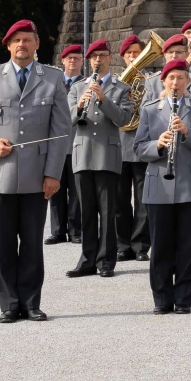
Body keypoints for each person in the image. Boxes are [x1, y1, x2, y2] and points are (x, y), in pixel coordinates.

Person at [0, 20, 72, 322]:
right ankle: (10, 303)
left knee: (33, 243)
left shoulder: (52, 78)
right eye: (16, 40)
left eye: (28, 40)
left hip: (38, 177)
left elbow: (61, 131)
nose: (22, 45)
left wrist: (54, 174)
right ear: (8, 45)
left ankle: (32, 302)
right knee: (5, 242)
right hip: (1, 177)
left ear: (37, 44)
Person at [134, 57, 191, 313]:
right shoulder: (149, 109)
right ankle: (161, 299)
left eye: (181, 78)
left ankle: (184, 299)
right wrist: (157, 144)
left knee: (188, 246)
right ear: (163, 82)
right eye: (171, 78)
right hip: (159, 184)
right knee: (161, 245)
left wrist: (189, 132)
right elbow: (138, 149)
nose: (176, 82)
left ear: (188, 81)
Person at [66, 38, 132, 279]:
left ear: (110, 58)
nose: (98, 60)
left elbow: (124, 119)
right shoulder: (76, 87)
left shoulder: (121, 87)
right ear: (89, 59)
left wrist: (103, 99)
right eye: (94, 56)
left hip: (107, 154)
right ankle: (87, 260)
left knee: (107, 211)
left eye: (103, 55)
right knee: (86, 211)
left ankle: (106, 261)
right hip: (83, 154)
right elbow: (67, 120)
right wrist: (80, 105)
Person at [115, 33, 152, 263]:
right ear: (123, 57)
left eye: (136, 54)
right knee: (119, 201)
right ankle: (122, 245)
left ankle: (140, 246)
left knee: (143, 200)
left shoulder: (151, 80)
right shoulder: (115, 81)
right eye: (129, 54)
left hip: (141, 144)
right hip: (118, 146)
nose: (132, 57)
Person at [46, 43, 84, 245]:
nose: (73, 61)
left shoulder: (87, 84)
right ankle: (58, 230)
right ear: (63, 61)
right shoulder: (52, 83)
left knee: (77, 191)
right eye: (69, 58)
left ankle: (75, 230)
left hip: (78, 143)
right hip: (56, 144)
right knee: (55, 188)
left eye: (77, 58)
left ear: (82, 62)